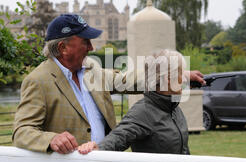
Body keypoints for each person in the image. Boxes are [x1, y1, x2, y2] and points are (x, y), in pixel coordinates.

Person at [13, 14, 205, 154]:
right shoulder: (38, 81)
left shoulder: (90, 68)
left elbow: (124, 80)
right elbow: (22, 131)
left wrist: (177, 74)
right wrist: (52, 139)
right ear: (63, 47)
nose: (91, 47)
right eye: (85, 42)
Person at [78, 49, 190, 155]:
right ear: (168, 78)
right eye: (182, 74)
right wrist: (97, 148)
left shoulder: (174, 109)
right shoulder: (143, 112)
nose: (185, 80)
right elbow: (119, 137)